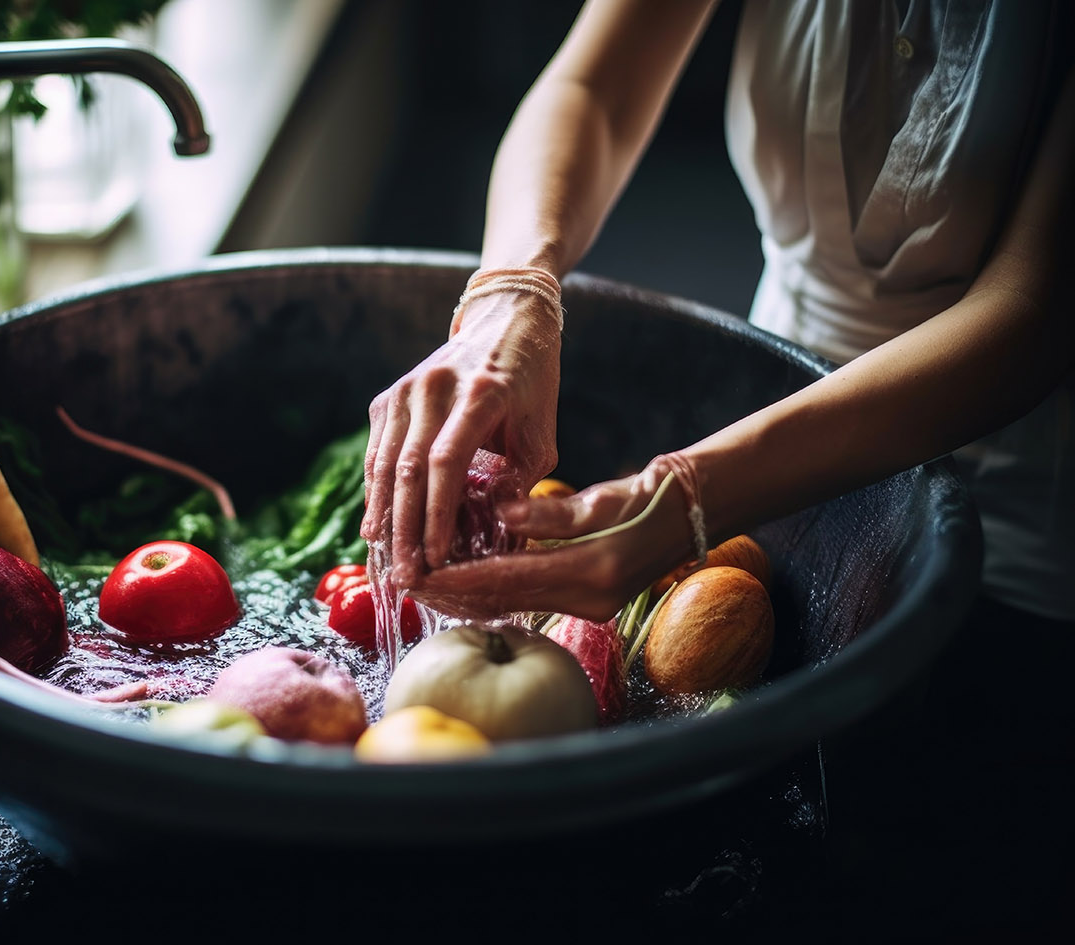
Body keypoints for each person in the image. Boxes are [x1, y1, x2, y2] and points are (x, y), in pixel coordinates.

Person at [361, 0, 1074, 633]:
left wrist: (693, 496)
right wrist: (512, 288)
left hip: (1013, 519)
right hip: (767, 421)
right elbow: (593, 89)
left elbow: (1030, 314)